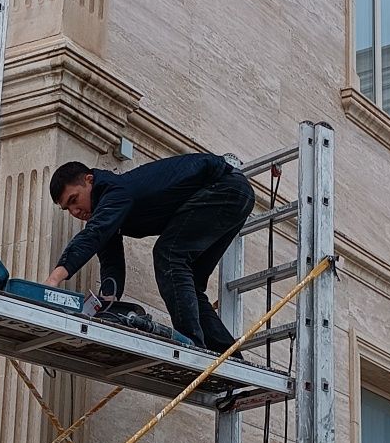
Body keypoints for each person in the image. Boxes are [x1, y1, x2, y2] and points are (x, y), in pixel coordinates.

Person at [46, 151, 256, 353]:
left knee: (169, 255)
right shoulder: (110, 209)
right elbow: (111, 263)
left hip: (224, 188)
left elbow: (93, 235)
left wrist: (54, 280)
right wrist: (105, 303)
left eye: (74, 200)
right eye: (67, 208)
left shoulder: (115, 191)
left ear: (89, 180)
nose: (75, 212)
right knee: (188, 281)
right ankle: (227, 356)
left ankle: (191, 347)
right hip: (234, 195)